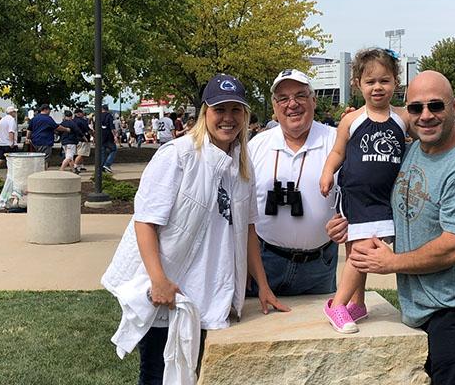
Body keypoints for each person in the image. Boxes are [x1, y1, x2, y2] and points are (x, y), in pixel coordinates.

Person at [101, 74, 287, 385]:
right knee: (157, 375)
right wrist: (159, 280)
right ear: (205, 113)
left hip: (212, 292)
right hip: (170, 292)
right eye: (219, 109)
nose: (228, 118)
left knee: (198, 374)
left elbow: (248, 230)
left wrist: (263, 288)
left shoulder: (242, 165)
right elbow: (145, 221)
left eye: (236, 110)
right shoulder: (178, 155)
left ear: (245, 115)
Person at [329, 71, 455, 385]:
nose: (426, 115)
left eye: (436, 106)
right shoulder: (411, 154)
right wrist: (348, 225)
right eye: (416, 108)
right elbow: (378, 199)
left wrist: (392, 262)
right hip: (422, 309)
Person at [318, 48, 407, 334]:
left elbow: (428, 134)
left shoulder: (402, 119)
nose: (377, 87)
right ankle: (337, 306)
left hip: (384, 197)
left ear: (396, 82)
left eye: (384, 80)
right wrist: (326, 172)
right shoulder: (351, 119)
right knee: (359, 251)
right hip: (356, 196)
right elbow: (338, 151)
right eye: (370, 82)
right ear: (357, 83)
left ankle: (358, 304)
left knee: (362, 249)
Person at [246, 69, 339, 297]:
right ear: (274, 106)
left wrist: (348, 220)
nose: (292, 104)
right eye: (283, 98)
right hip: (265, 261)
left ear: (313, 100)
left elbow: (357, 195)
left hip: (320, 264)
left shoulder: (336, 141)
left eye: (300, 95)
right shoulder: (256, 146)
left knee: (316, 330)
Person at [0, 106, 18, 175]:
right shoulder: (11, 120)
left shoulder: (2, 120)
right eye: (15, 112)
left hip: (1, 143)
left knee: (0, 158)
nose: (15, 113)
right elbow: (11, 131)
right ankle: (11, 173)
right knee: (13, 159)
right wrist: (11, 142)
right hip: (9, 143)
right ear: (11, 112)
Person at [99, 105, 118, 173]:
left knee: (102, 152)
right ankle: (107, 164)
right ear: (107, 109)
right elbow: (112, 127)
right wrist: (115, 136)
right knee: (114, 149)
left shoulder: (98, 116)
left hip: (100, 136)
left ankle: (102, 167)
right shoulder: (109, 116)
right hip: (108, 136)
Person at [73, 109, 93, 173]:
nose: (83, 114)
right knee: (81, 154)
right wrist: (93, 135)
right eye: (82, 113)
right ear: (79, 113)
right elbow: (88, 130)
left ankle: (81, 166)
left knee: (78, 153)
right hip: (83, 139)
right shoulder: (82, 121)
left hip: (74, 139)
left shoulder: (73, 121)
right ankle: (75, 166)